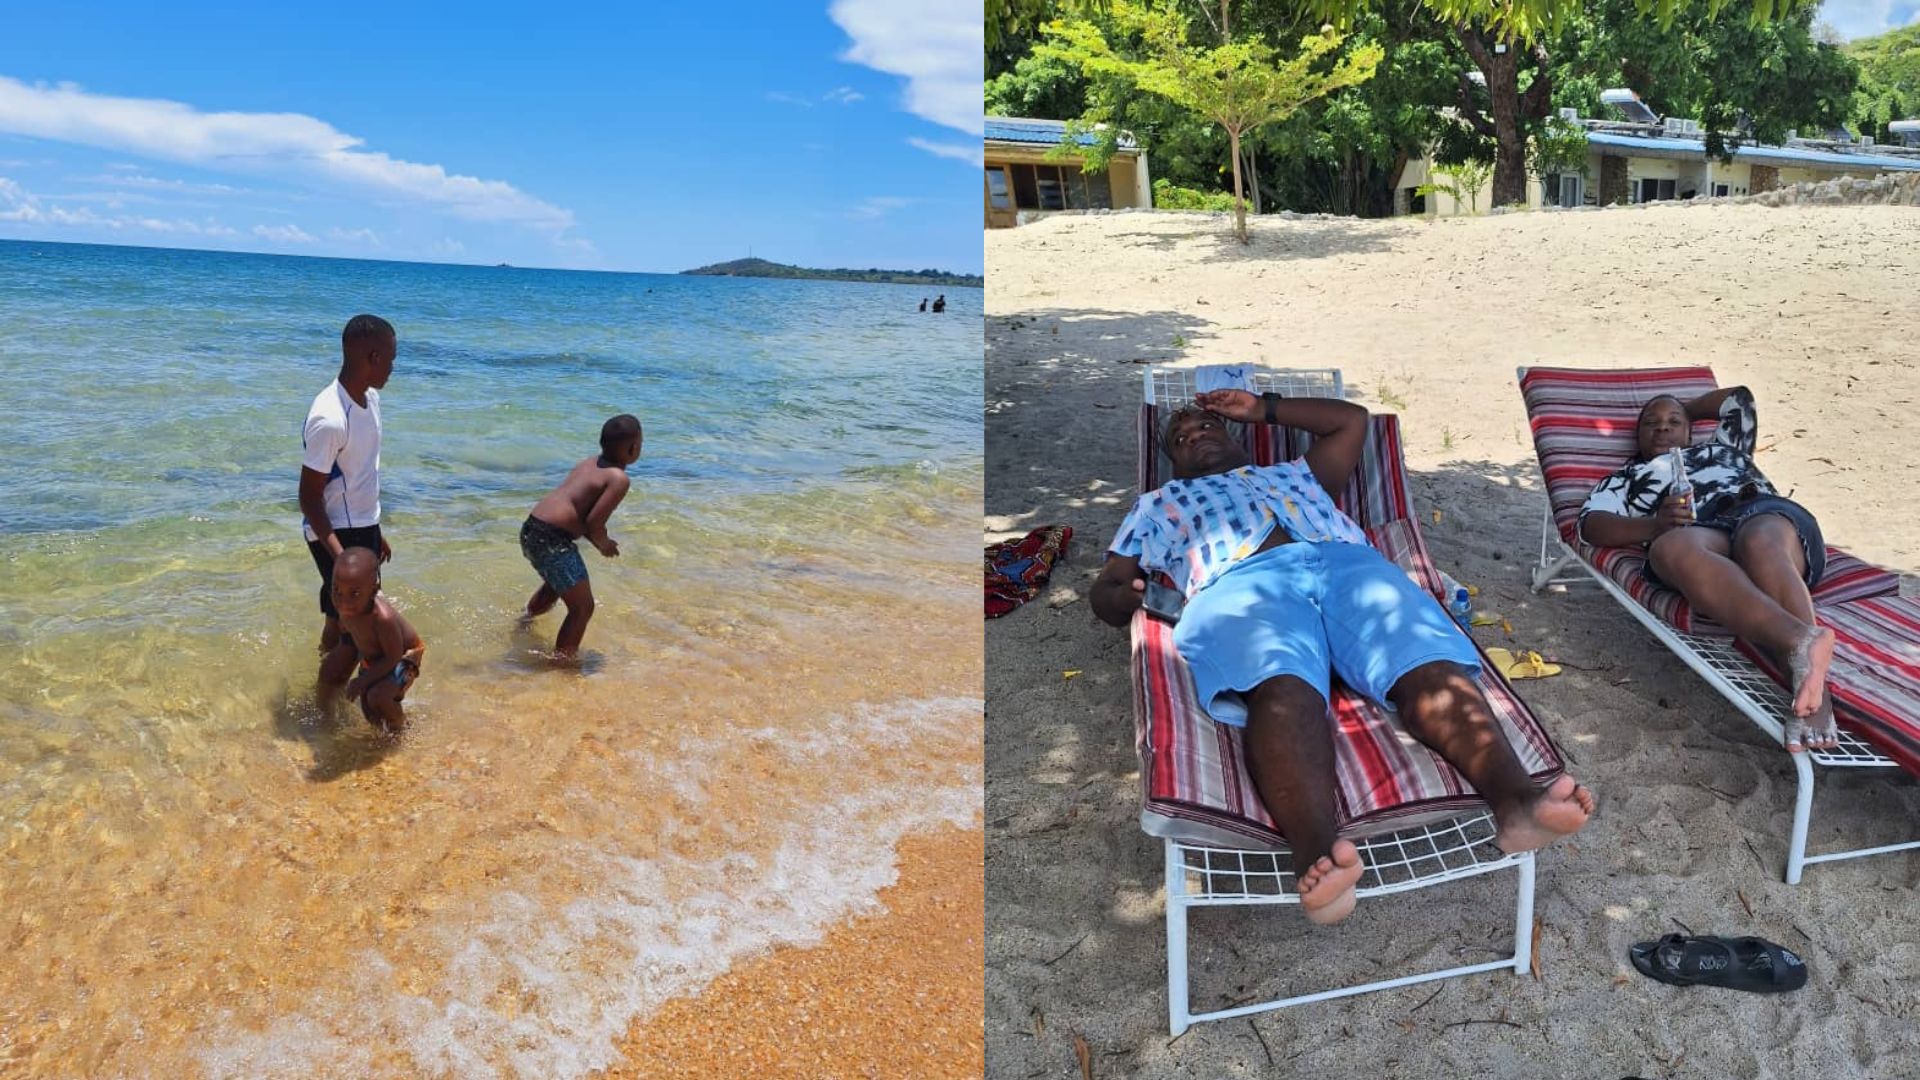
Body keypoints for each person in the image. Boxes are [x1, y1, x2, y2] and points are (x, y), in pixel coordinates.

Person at [1092, 390, 1593, 925]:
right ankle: (1316, 852)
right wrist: (1121, 597)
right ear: (1172, 460)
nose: (1194, 436)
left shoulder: (1296, 475)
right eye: (1180, 438)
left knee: (1426, 664)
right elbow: (1108, 592)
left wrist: (1263, 408)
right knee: (1281, 688)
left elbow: (1352, 422)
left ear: (1232, 434)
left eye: (1205, 426)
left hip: (1349, 567)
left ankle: (1516, 803)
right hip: (1240, 584)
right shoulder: (1158, 505)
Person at [1578, 386, 1836, 752]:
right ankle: (1804, 642)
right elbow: (1590, 525)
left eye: (1673, 421)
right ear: (1637, 437)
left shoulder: (1724, 447)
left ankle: (1814, 693)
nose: (1662, 427)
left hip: (1762, 513)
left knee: (1759, 545)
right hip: (1696, 533)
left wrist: (1685, 406)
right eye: (1651, 423)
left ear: (1690, 429)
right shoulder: (1627, 477)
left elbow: (1739, 399)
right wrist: (1655, 524)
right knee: (1670, 548)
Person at [299, 314, 396, 690]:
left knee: (338, 617)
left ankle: (324, 675)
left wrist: (376, 528)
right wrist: (340, 557)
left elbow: (362, 474)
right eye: (391, 358)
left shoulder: (370, 400)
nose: (393, 367)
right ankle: (329, 696)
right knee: (363, 628)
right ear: (372, 357)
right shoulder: (330, 418)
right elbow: (308, 498)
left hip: (362, 525)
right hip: (334, 531)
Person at [518, 414, 643, 659]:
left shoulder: (590, 462)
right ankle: (562, 663)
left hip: (531, 528)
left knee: (557, 585)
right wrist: (604, 544)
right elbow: (593, 523)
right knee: (582, 608)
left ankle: (523, 622)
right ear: (633, 448)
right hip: (553, 538)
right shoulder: (619, 478)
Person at [322, 547, 426, 733]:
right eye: (336, 590)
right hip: (375, 657)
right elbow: (356, 638)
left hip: (405, 655)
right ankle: (381, 738)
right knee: (369, 709)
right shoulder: (346, 609)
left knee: (378, 696)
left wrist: (363, 681)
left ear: (374, 590)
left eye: (354, 594)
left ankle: (400, 728)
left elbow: (393, 657)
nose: (344, 601)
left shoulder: (382, 619)